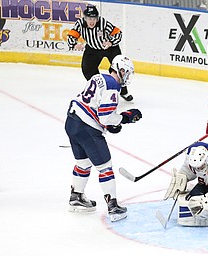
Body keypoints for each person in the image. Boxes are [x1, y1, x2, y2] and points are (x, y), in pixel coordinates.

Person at [65, 55, 142, 222]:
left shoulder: (98, 77)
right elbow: (106, 117)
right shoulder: (113, 85)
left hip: (72, 122)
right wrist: (125, 118)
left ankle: (76, 197)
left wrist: (111, 124)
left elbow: (95, 106)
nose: (127, 77)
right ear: (120, 70)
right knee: (105, 167)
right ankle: (113, 207)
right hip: (87, 128)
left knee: (83, 163)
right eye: (126, 72)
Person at [67, 5, 133, 102]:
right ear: (85, 18)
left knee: (119, 69)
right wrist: (74, 44)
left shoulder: (103, 22)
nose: (92, 21)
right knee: (88, 70)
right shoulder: (80, 24)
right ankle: (101, 90)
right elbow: (71, 35)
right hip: (92, 48)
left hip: (110, 48)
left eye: (94, 19)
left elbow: (118, 33)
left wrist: (111, 42)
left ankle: (123, 91)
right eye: (89, 19)